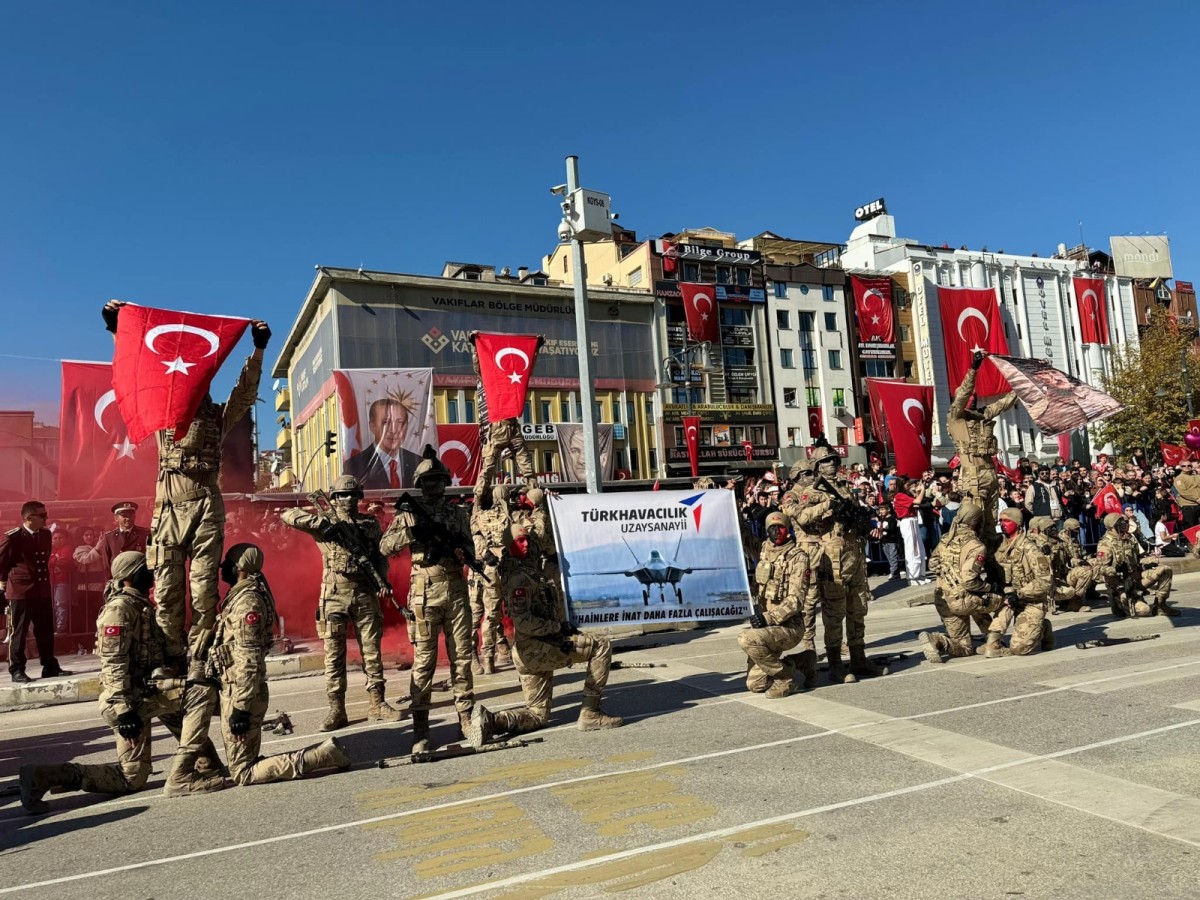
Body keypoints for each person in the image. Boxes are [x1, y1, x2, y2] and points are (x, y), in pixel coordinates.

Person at [101, 300, 269, 670]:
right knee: (169, 591)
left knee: (204, 589)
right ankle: (171, 658)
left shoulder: (216, 417)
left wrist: (257, 350)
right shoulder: (164, 414)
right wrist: (117, 331)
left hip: (206, 506)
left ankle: (203, 656)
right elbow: (137, 370)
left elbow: (243, 395)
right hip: (170, 509)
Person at [19, 552, 222, 813]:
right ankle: (42, 776)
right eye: (144, 569)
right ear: (129, 576)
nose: (150, 573)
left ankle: (205, 762)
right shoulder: (119, 609)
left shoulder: (139, 605)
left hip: (146, 692)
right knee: (197, 695)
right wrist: (124, 711)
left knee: (178, 703)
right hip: (129, 700)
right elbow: (113, 663)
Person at [164, 544, 351, 795]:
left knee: (243, 772)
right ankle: (207, 762)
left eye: (227, 562)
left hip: (242, 694)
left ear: (240, 568)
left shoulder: (247, 603)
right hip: (230, 688)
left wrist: (240, 709)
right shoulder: (238, 596)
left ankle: (322, 756)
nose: (221, 568)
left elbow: (248, 660)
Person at [468, 523, 622, 743]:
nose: (527, 545)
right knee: (601, 646)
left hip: (530, 651)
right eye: (520, 541)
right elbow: (524, 623)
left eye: (528, 540)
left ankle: (491, 722)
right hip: (538, 648)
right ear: (509, 547)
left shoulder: (525, 572)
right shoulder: (519, 578)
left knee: (537, 714)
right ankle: (591, 713)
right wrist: (557, 628)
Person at [280, 475, 403, 730]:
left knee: (372, 652)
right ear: (333, 498)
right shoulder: (324, 520)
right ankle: (337, 709)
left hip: (364, 592)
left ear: (359, 497)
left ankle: (377, 702)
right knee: (334, 655)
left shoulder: (369, 524)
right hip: (333, 594)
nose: (347, 499)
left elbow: (379, 556)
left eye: (352, 495)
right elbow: (287, 515)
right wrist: (321, 524)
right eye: (341, 495)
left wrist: (383, 581)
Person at [381, 446, 475, 752]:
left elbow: (470, 549)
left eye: (438, 479)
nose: (433, 485)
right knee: (424, 662)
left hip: (456, 592)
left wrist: (464, 552)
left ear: (445, 481)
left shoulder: (458, 514)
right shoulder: (408, 515)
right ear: (419, 485)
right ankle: (420, 729)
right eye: (428, 480)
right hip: (424, 592)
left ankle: (466, 718)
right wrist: (412, 531)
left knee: (462, 658)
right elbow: (385, 547)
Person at [790, 447, 883, 682]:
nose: (831, 463)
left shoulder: (843, 486)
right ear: (818, 466)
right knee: (834, 612)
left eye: (833, 459)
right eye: (825, 461)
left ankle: (859, 657)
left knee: (858, 608)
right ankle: (835, 664)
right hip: (832, 557)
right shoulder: (811, 491)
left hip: (853, 553)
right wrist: (827, 507)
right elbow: (801, 518)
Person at [946, 352, 1019, 541]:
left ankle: (991, 561)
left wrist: (1024, 384)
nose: (972, 398)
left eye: (975, 396)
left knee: (990, 523)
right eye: (970, 396)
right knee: (972, 522)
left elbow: (1005, 403)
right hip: (973, 478)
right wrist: (974, 368)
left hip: (990, 475)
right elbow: (963, 394)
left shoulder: (983, 414)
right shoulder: (956, 417)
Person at [741, 512, 816, 696]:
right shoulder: (763, 549)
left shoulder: (798, 557)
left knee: (746, 639)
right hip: (765, 627)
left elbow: (796, 600)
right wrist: (731, 498)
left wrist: (768, 617)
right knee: (756, 685)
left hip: (788, 626)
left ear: (788, 529)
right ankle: (802, 662)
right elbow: (741, 533)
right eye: (772, 528)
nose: (777, 531)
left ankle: (785, 677)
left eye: (780, 527)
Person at [920, 503, 1002, 663]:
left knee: (964, 648)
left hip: (944, 600)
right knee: (1004, 599)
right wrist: (990, 587)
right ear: (976, 523)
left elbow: (932, 564)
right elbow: (969, 581)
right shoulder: (976, 546)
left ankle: (937, 640)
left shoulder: (946, 539)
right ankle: (994, 640)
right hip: (962, 600)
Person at [1, 501, 70, 682]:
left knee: (46, 629)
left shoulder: (45, 534)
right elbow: (2, 562)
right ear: (29, 517)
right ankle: (16, 669)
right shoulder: (14, 537)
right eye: (42, 516)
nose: (46, 519)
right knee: (19, 631)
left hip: (41, 588)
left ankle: (49, 665)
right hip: (21, 590)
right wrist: (3, 583)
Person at [983, 508, 1054, 658]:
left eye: (1007, 521)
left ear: (1018, 523)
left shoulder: (1030, 548)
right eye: (1001, 521)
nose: (1003, 524)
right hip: (1008, 597)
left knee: (1019, 649)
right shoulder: (997, 545)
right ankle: (993, 642)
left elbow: (1045, 580)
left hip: (1031, 600)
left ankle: (1043, 629)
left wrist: (1020, 593)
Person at [1094, 513, 1177, 618]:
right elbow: (1099, 569)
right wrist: (1116, 570)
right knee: (1144, 610)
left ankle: (1160, 606)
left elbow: (1137, 558)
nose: (1123, 524)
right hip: (1120, 584)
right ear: (1111, 526)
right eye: (1119, 522)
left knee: (1165, 570)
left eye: (1123, 521)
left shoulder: (1129, 538)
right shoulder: (1105, 544)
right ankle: (1119, 602)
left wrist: (1147, 563)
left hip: (1135, 578)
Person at [470, 484, 514, 674]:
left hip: (488, 570)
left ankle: (488, 653)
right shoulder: (506, 516)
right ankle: (478, 654)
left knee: (488, 612)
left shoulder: (481, 515)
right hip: (484, 571)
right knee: (485, 612)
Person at [342, 396, 423, 489]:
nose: (393, 430)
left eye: (400, 422)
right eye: (385, 422)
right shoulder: (355, 466)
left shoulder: (419, 464)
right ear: (372, 426)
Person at [75, 502, 152, 575]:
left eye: (130, 515)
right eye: (124, 516)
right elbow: (107, 564)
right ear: (116, 518)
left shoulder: (145, 534)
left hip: (140, 578)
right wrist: (111, 581)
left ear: (134, 517)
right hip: (118, 579)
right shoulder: (109, 537)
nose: (128, 518)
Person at [893, 479, 930, 585]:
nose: (910, 486)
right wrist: (922, 490)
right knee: (912, 549)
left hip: (912, 520)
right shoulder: (899, 495)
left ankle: (920, 575)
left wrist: (918, 492)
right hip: (906, 521)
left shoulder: (905, 495)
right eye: (908, 484)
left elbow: (916, 500)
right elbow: (917, 501)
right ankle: (913, 577)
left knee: (919, 549)